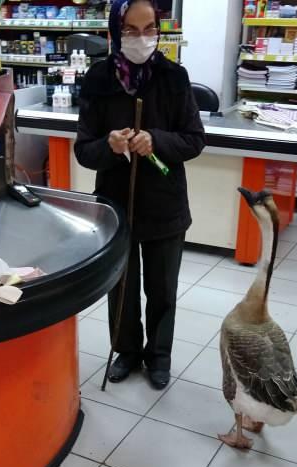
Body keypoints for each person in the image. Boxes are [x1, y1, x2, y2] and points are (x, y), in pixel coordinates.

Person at [74, 0, 205, 389]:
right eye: (131, 30)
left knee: (162, 289)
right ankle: (126, 351)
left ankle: (159, 356)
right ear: (115, 32)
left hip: (165, 205)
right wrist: (110, 145)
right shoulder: (99, 79)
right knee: (122, 287)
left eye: (150, 29)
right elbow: (84, 150)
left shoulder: (173, 77)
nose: (142, 38)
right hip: (116, 205)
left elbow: (194, 139)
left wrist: (157, 140)